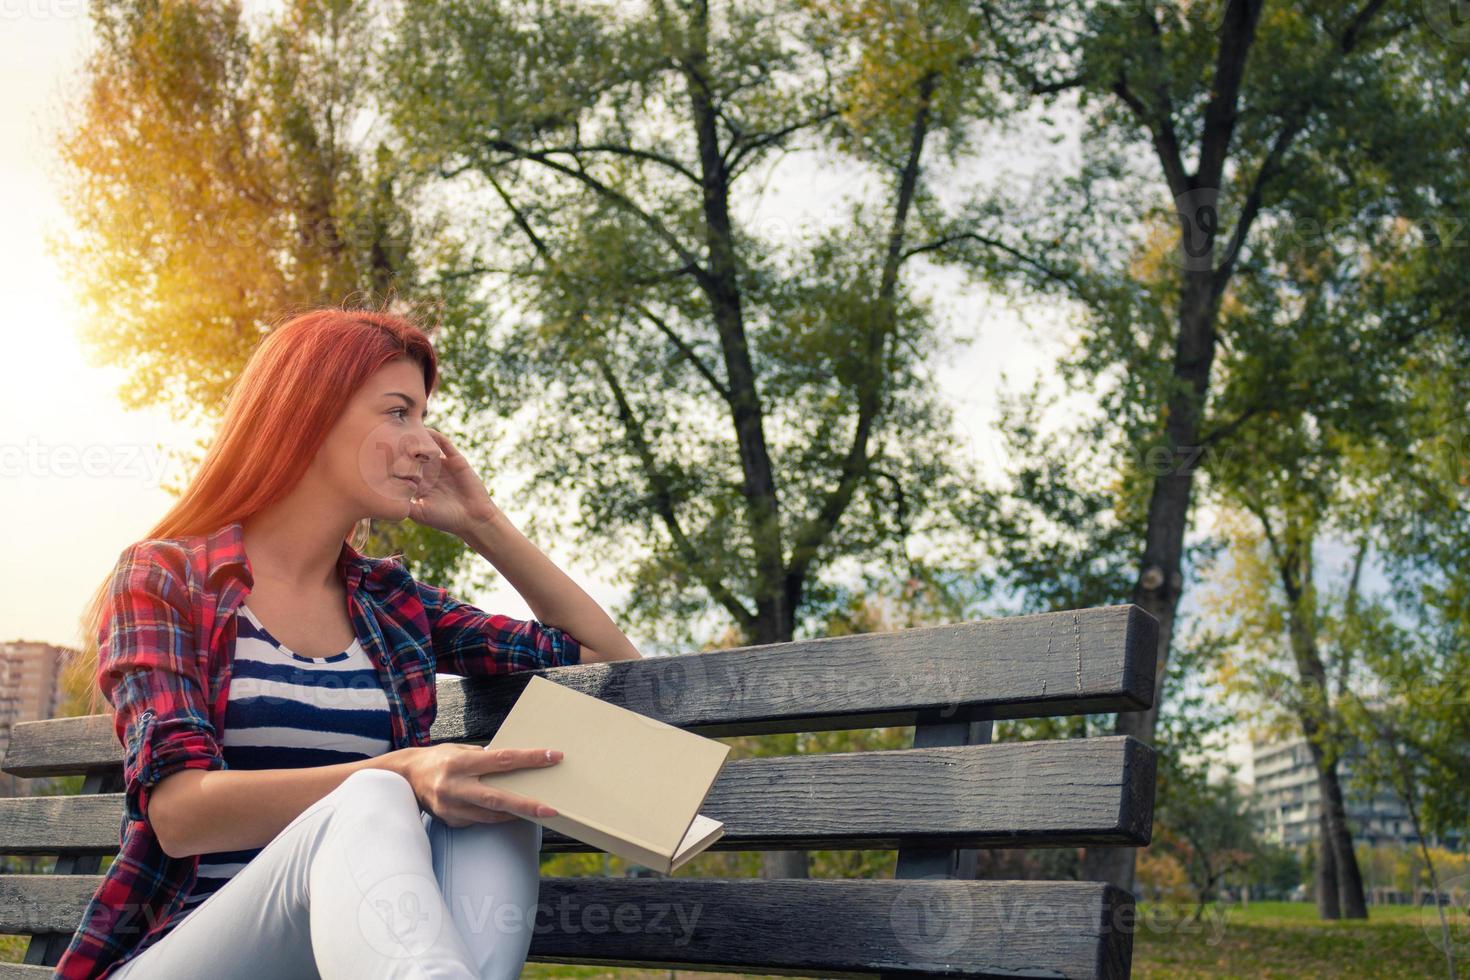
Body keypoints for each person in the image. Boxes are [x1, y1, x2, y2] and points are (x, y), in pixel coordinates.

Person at [54, 306, 643, 979]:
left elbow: (610, 665)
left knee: (495, 799)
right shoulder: (167, 578)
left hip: (352, 957)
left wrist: (485, 525)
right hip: (181, 953)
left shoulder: (392, 606)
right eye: (398, 413)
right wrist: (399, 773)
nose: (428, 444)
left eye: (423, 416)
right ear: (309, 411)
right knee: (374, 795)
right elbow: (181, 815)